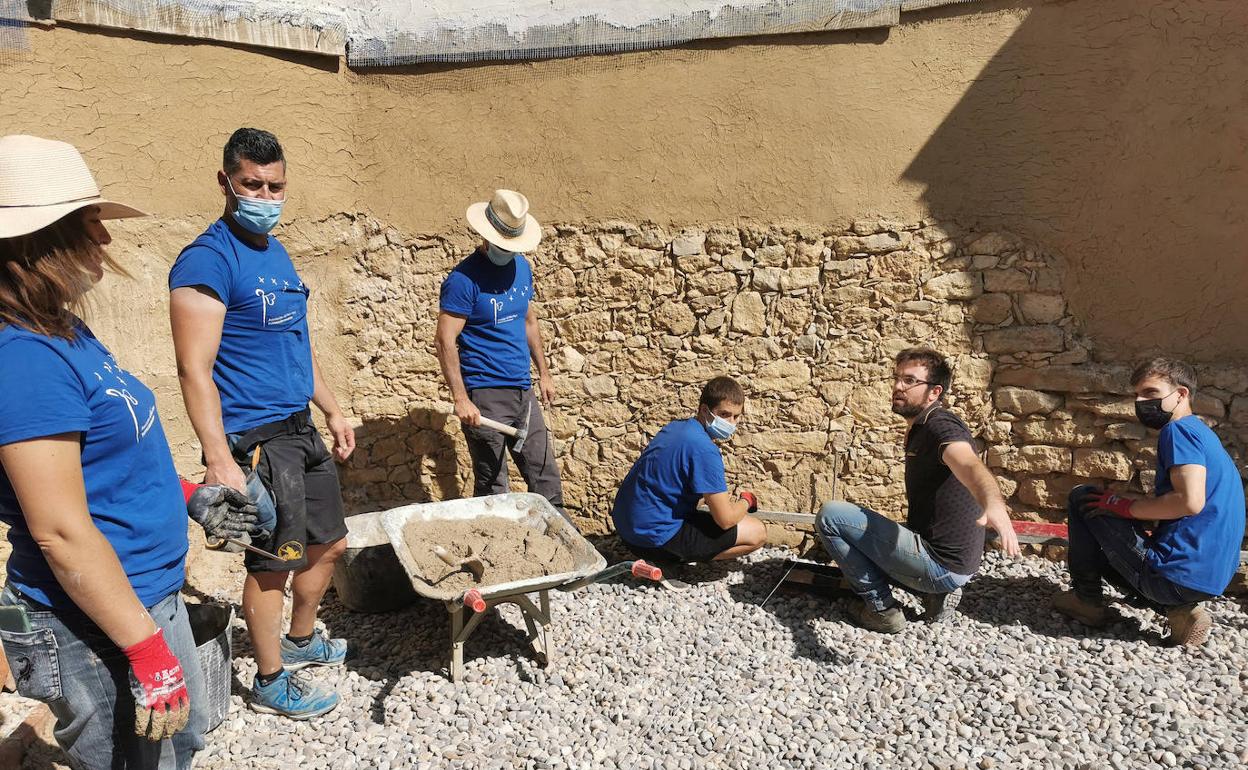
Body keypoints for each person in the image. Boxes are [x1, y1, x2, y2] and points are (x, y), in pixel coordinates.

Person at [0, 134, 261, 769]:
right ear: (41, 243)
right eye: (91, 225)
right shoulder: (23, 361)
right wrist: (145, 651)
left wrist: (189, 496)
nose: (107, 241)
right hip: (90, 623)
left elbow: (112, 466)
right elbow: (60, 529)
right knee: (131, 762)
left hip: (145, 594)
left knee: (180, 744)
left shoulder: (61, 329)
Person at [168, 128, 354, 719]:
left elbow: (298, 341)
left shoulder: (276, 253)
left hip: (299, 427)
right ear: (226, 182)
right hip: (256, 440)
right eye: (252, 184)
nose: (265, 196)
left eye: (275, 186)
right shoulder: (206, 259)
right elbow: (192, 369)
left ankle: (299, 642)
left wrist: (331, 405)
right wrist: (219, 457)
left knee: (329, 543)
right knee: (277, 561)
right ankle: (270, 679)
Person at [815, 347, 1020, 632]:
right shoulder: (921, 426)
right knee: (858, 534)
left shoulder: (940, 427)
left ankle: (882, 611)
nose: (898, 386)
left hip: (940, 563)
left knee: (832, 516)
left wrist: (993, 503)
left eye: (910, 380)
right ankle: (934, 595)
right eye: (898, 378)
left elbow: (970, 464)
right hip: (952, 563)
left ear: (934, 393)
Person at [1052, 358, 1245, 647]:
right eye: (1137, 395)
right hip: (1208, 582)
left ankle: (1086, 600)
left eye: (1151, 393)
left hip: (1171, 578)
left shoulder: (1178, 431)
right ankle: (1181, 612)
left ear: (1181, 394)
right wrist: (1128, 507)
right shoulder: (1204, 434)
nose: (1141, 401)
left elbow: (1190, 501)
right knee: (1109, 515)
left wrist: (1124, 507)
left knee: (1085, 498)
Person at [435, 189, 568, 520]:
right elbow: (444, 340)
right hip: (485, 395)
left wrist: (545, 373)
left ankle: (566, 558)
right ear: (485, 235)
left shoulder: (521, 268)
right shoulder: (463, 280)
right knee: (493, 488)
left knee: (546, 478)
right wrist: (462, 398)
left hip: (523, 392)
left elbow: (529, 320)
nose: (509, 251)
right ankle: (499, 563)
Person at [611, 376, 766, 566]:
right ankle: (676, 559)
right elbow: (725, 520)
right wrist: (746, 501)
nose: (731, 423)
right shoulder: (704, 449)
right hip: (654, 540)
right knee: (757, 532)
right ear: (704, 410)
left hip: (627, 531)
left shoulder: (675, 428)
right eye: (724, 414)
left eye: (736, 416)